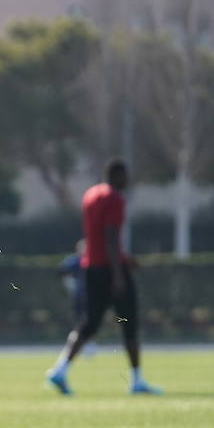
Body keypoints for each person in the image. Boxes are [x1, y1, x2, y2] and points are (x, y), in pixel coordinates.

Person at [46, 160, 160, 395]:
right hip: (110, 269)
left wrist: (124, 257)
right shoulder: (114, 198)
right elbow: (110, 236)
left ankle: (60, 370)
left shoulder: (91, 194)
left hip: (92, 267)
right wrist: (119, 272)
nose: (127, 181)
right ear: (116, 175)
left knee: (89, 323)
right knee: (129, 323)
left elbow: (97, 237)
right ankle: (137, 380)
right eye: (125, 176)